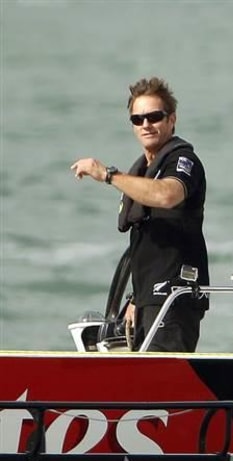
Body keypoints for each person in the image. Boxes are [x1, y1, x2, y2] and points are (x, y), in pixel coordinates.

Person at [71, 77, 209, 353]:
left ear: (172, 119)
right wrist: (136, 298)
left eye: (154, 116)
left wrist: (108, 175)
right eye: (138, 119)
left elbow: (167, 195)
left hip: (175, 297)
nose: (146, 124)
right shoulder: (142, 171)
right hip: (148, 299)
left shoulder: (183, 161)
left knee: (162, 381)